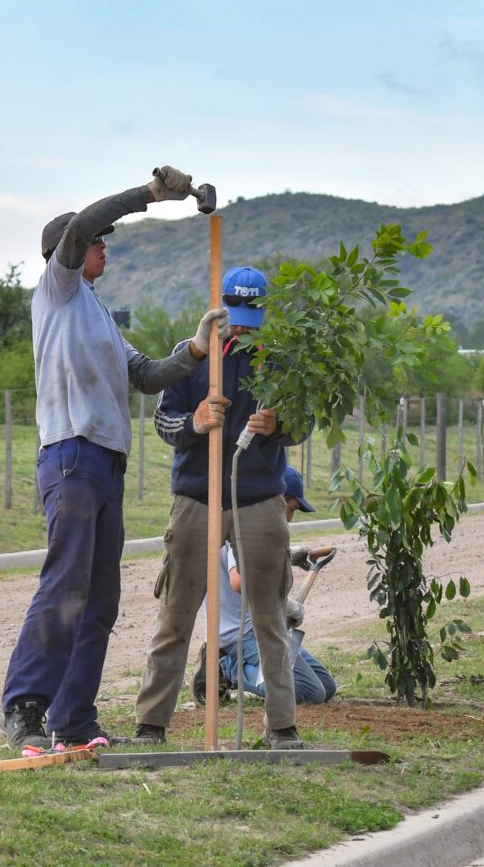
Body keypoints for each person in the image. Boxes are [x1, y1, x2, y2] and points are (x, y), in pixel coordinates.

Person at [0, 167, 230, 751]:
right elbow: (82, 226)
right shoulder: (58, 289)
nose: (105, 245)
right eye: (99, 241)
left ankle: (74, 721)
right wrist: (150, 196)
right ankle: (25, 707)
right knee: (66, 583)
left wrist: (195, 348)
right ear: (69, 252)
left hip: (107, 462)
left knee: (100, 599)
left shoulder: (97, 314)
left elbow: (146, 375)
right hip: (72, 452)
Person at [133, 267, 313, 750]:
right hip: (196, 499)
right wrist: (194, 421)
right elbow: (164, 421)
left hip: (259, 499)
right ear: (221, 305)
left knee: (270, 616)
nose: (242, 326)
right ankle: (151, 725)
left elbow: (305, 422)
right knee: (176, 614)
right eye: (236, 314)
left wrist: (280, 425)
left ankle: (281, 728)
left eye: (252, 317)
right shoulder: (192, 354)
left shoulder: (280, 360)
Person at [191, 466, 337, 707]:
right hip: (240, 633)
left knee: (326, 686)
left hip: (260, 625)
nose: (290, 518)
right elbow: (238, 581)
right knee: (309, 691)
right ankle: (225, 667)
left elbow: (252, 565)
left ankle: (244, 668)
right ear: (277, 499)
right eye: (292, 508)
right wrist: (283, 606)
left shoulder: (255, 522)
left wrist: (288, 556)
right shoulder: (243, 525)